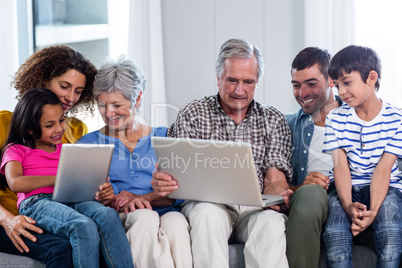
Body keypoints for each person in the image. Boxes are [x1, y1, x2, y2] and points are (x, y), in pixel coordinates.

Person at [151, 38, 293, 267]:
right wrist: (165, 182)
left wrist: (277, 195)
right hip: (208, 204)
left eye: (248, 81)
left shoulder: (273, 119)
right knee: (207, 214)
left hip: (255, 208)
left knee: (272, 223)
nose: (239, 90)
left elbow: (275, 177)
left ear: (257, 82)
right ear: (218, 78)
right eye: (231, 81)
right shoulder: (193, 113)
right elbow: (179, 173)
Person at [78, 56, 192, 268]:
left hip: (166, 212)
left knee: (177, 224)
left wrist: (143, 197)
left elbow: (179, 193)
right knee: (144, 218)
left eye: (117, 104)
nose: (109, 113)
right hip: (123, 219)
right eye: (102, 105)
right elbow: (82, 198)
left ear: (137, 99)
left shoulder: (165, 138)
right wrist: (108, 197)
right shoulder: (88, 144)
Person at [1, 88, 133, 268]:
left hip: (70, 198)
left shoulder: (67, 148)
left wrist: (100, 187)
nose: (59, 128)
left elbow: (82, 181)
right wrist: (58, 178)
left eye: (61, 120)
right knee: (82, 226)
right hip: (37, 203)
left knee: (108, 215)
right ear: (30, 129)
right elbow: (16, 183)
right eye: (49, 125)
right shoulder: (16, 150)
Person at [0, 45, 97, 267]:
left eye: (79, 91)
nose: (71, 97)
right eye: (65, 86)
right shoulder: (3, 123)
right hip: (14, 217)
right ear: (43, 80)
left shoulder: (76, 129)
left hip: (59, 215)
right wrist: (7, 220)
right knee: (61, 249)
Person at [322, 45, 402, 267]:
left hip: (387, 188)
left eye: (347, 83)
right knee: (334, 237)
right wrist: (348, 206)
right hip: (345, 188)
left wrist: (373, 211)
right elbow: (340, 168)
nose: (341, 92)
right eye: (337, 85)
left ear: (371, 77)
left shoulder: (396, 119)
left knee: (390, 234)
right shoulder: (335, 119)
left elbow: (383, 170)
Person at [286, 47, 340, 267]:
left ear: (331, 81)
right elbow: (270, 187)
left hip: (353, 203)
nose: (302, 93)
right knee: (311, 194)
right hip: (308, 206)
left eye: (311, 84)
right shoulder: (286, 125)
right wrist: (302, 188)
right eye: (296, 85)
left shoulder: (360, 119)